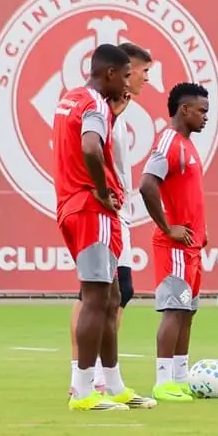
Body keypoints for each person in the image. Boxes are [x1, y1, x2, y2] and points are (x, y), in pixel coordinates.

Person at [58, 43, 146, 411]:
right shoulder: (94, 104)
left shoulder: (72, 98)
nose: (127, 83)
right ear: (109, 73)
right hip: (92, 209)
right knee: (96, 298)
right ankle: (82, 390)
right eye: (125, 75)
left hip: (74, 205)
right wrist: (102, 189)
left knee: (111, 297)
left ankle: (113, 384)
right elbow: (91, 147)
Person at [139, 82, 210, 403]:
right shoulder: (168, 141)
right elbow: (147, 185)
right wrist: (168, 228)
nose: (205, 117)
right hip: (174, 247)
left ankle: (180, 379)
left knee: (186, 312)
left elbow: (188, 194)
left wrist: (201, 228)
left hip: (191, 246)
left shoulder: (188, 145)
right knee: (174, 310)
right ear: (184, 109)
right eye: (201, 111)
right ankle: (162, 381)